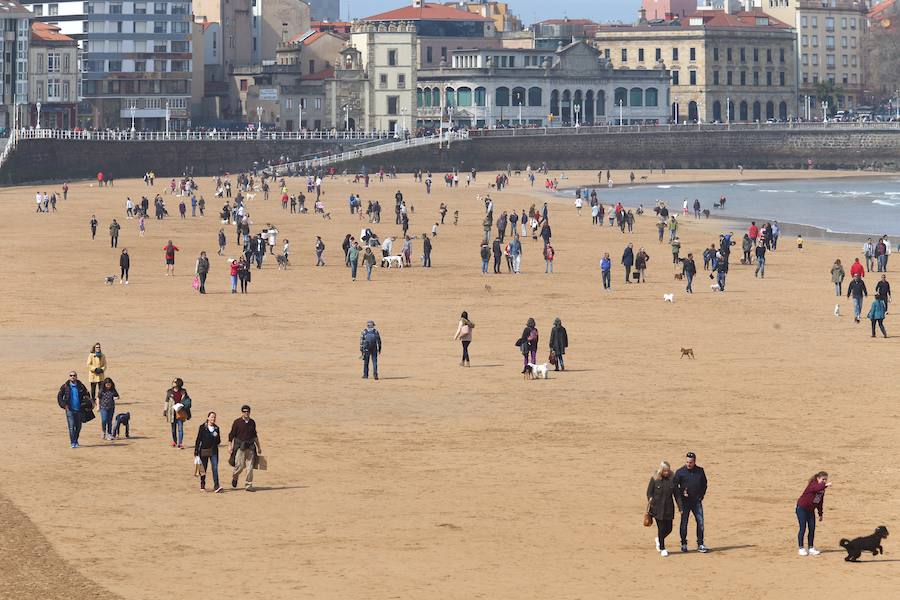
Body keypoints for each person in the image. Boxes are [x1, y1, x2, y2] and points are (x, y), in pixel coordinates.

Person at [674, 452, 709, 553]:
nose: (688, 464)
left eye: (690, 462)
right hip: (685, 503)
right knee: (684, 523)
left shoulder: (700, 471)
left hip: (696, 502)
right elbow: (675, 488)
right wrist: (681, 494)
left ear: (694, 462)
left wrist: (701, 496)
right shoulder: (680, 472)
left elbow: (704, 484)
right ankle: (684, 543)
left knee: (700, 522)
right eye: (687, 462)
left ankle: (700, 543)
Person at [646, 461, 678, 557]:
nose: (667, 473)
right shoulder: (655, 479)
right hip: (657, 508)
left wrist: (680, 507)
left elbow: (677, 495)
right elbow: (649, 492)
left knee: (669, 528)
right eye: (665, 471)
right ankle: (662, 548)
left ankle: (659, 539)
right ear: (661, 470)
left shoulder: (672, 479)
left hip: (668, 508)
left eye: (668, 470)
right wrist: (650, 500)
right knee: (661, 528)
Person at [796, 471, 831, 556]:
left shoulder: (822, 489)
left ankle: (811, 548)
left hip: (810, 510)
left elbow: (819, 502)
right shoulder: (812, 485)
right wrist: (825, 485)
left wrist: (820, 513)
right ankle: (801, 548)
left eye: (825, 480)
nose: (824, 481)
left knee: (812, 528)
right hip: (802, 509)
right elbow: (816, 488)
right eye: (823, 479)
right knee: (803, 528)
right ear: (818, 478)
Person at [228, 405, 261, 491]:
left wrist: (259, 447)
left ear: (250, 412)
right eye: (244, 411)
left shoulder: (252, 422)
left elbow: (255, 436)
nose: (246, 413)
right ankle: (235, 477)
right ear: (242, 412)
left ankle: (248, 485)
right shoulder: (237, 422)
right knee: (240, 466)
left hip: (250, 447)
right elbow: (231, 435)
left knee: (250, 468)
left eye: (247, 411)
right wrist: (230, 445)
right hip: (240, 447)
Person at [57, 371, 92, 448]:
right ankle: (73, 442)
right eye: (71, 375)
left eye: (74, 375)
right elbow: (59, 396)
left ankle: (76, 440)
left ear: (76, 376)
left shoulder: (81, 386)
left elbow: (87, 395)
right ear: (69, 377)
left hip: (79, 410)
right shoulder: (65, 386)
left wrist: (86, 403)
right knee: (71, 427)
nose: (72, 377)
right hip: (69, 410)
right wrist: (64, 405)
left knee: (78, 427)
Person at [194, 411, 224, 493]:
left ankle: (216, 486)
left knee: (215, 468)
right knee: (203, 468)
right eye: (211, 417)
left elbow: (218, 442)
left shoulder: (217, 428)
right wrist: (196, 451)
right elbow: (198, 439)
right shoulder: (202, 427)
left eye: (214, 417)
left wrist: (216, 436)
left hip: (214, 451)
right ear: (208, 418)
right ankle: (202, 484)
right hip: (204, 450)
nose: (213, 419)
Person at [164, 378, 192, 449]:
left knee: (180, 428)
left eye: (175, 381)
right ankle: (174, 441)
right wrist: (165, 410)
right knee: (173, 429)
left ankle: (180, 443)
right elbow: (166, 401)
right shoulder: (169, 391)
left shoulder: (183, 391)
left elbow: (187, 401)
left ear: (178, 383)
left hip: (180, 411)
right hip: (171, 412)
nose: (173, 382)